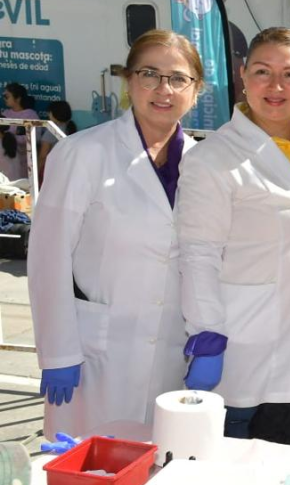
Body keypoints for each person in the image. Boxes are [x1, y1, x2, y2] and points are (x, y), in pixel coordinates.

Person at [177, 27, 290, 438]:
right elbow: (198, 254)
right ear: (242, 75)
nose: (276, 86)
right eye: (262, 71)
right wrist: (206, 336)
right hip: (246, 350)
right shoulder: (213, 158)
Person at [27, 29, 200, 439]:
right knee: (89, 467)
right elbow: (48, 258)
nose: (163, 89)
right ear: (128, 81)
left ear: (195, 90)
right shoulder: (83, 153)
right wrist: (58, 352)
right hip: (95, 357)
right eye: (149, 74)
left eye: (178, 78)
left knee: (161, 466)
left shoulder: (201, 162)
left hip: (173, 354)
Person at [3, 83, 40, 180]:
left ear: (18, 98)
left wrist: (11, 138)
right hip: (5, 159)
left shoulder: (31, 115)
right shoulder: (5, 114)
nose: (4, 99)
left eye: (7, 96)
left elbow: (34, 138)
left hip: (24, 162)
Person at [38, 100, 78, 182]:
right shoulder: (71, 127)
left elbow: (43, 156)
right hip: (68, 168)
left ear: (53, 114)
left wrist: (36, 172)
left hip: (53, 169)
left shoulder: (51, 131)